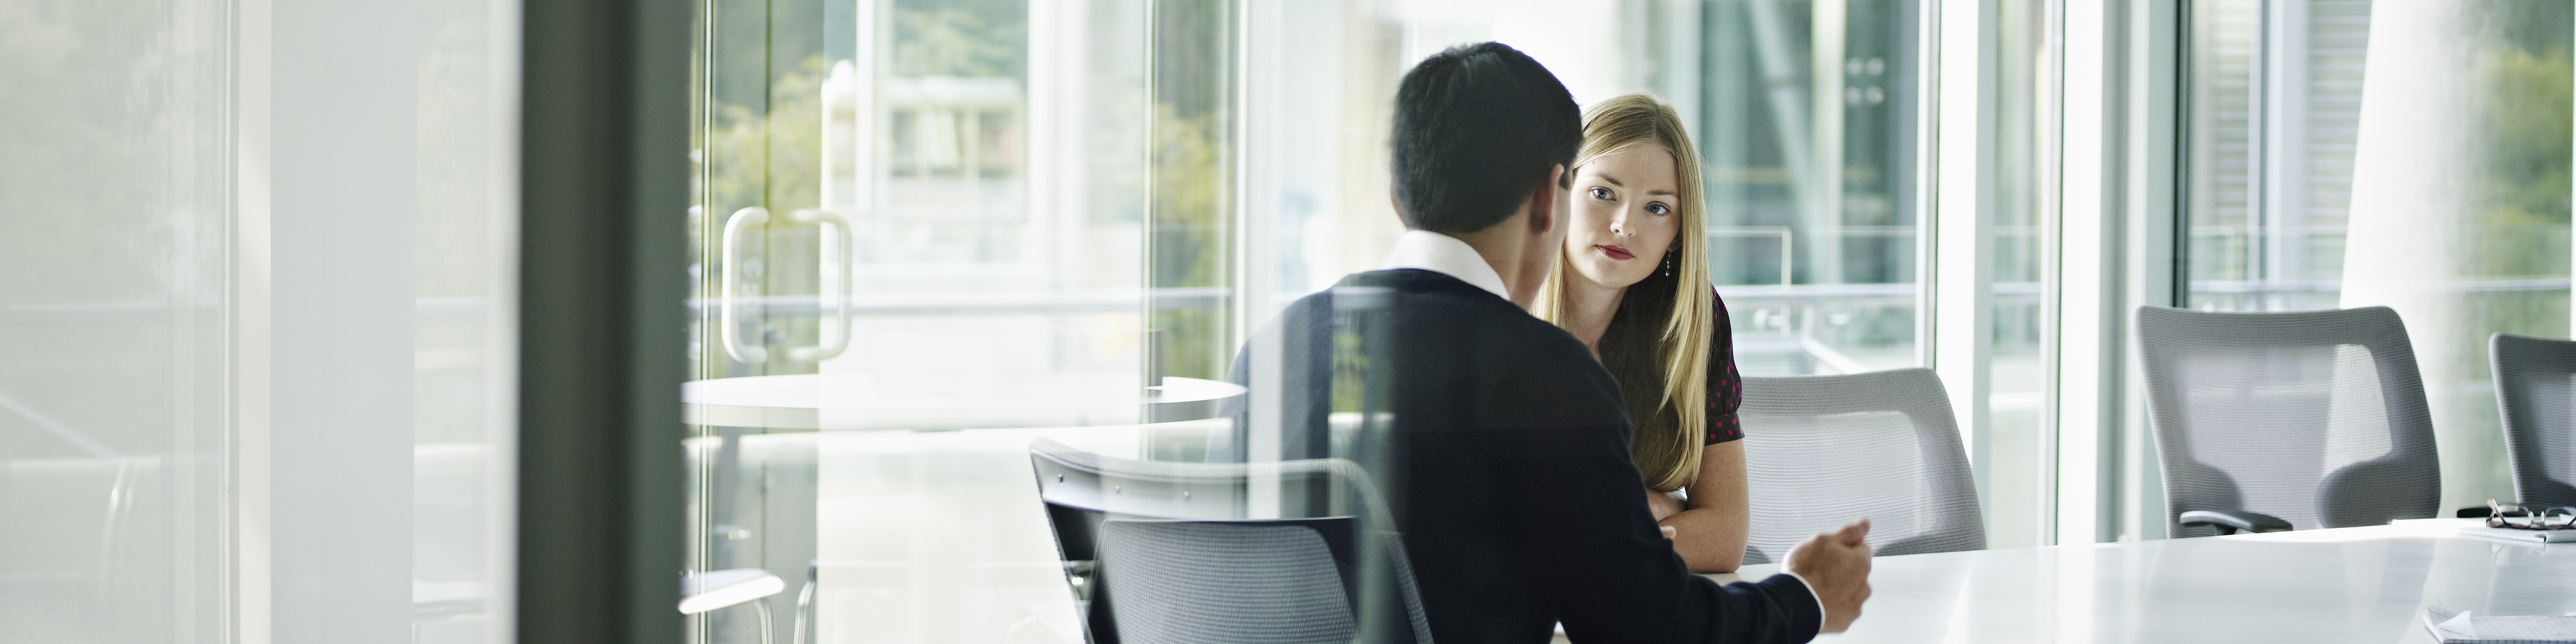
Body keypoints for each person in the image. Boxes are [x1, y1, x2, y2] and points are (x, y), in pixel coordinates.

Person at [1236, 42, 1872, 643]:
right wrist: (1804, 596)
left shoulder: (1269, 351)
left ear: (1397, 195)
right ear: (1551, 198)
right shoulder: (1539, 374)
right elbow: (1651, 628)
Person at [1531, 93, 1751, 573]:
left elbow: (1726, 535)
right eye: (1603, 193)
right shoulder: (1504, 307)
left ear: (1678, 231)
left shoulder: (1692, 318)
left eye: (1656, 208)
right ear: (1560, 190)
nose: (1624, 225)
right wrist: (1644, 513)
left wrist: (1598, 535)